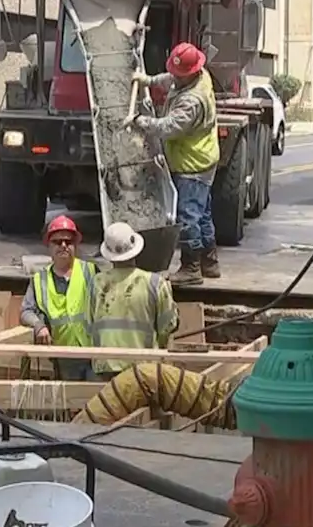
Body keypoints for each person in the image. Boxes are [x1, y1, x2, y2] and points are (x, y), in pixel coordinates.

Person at [127, 42, 220, 286]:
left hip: (192, 164)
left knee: (188, 216)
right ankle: (210, 262)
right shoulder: (200, 76)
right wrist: (147, 80)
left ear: (190, 73)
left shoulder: (192, 101)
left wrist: (141, 121)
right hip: (204, 158)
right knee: (203, 213)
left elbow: (168, 128)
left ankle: (191, 268)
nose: (175, 78)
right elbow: (171, 77)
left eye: (180, 74)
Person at [90, 222, 179, 381]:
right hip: (143, 368)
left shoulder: (96, 284)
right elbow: (168, 326)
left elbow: (90, 323)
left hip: (105, 368)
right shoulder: (155, 283)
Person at [18, 215, 98, 381]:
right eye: (57, 242)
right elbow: (26, 310)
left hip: (93, 353)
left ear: (75, 245)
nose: (63, 246)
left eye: (68, 242)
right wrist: (38, 325)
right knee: (69, 403)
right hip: (63, 355)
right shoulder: (40, 279)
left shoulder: (90, 271)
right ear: (49, 245)